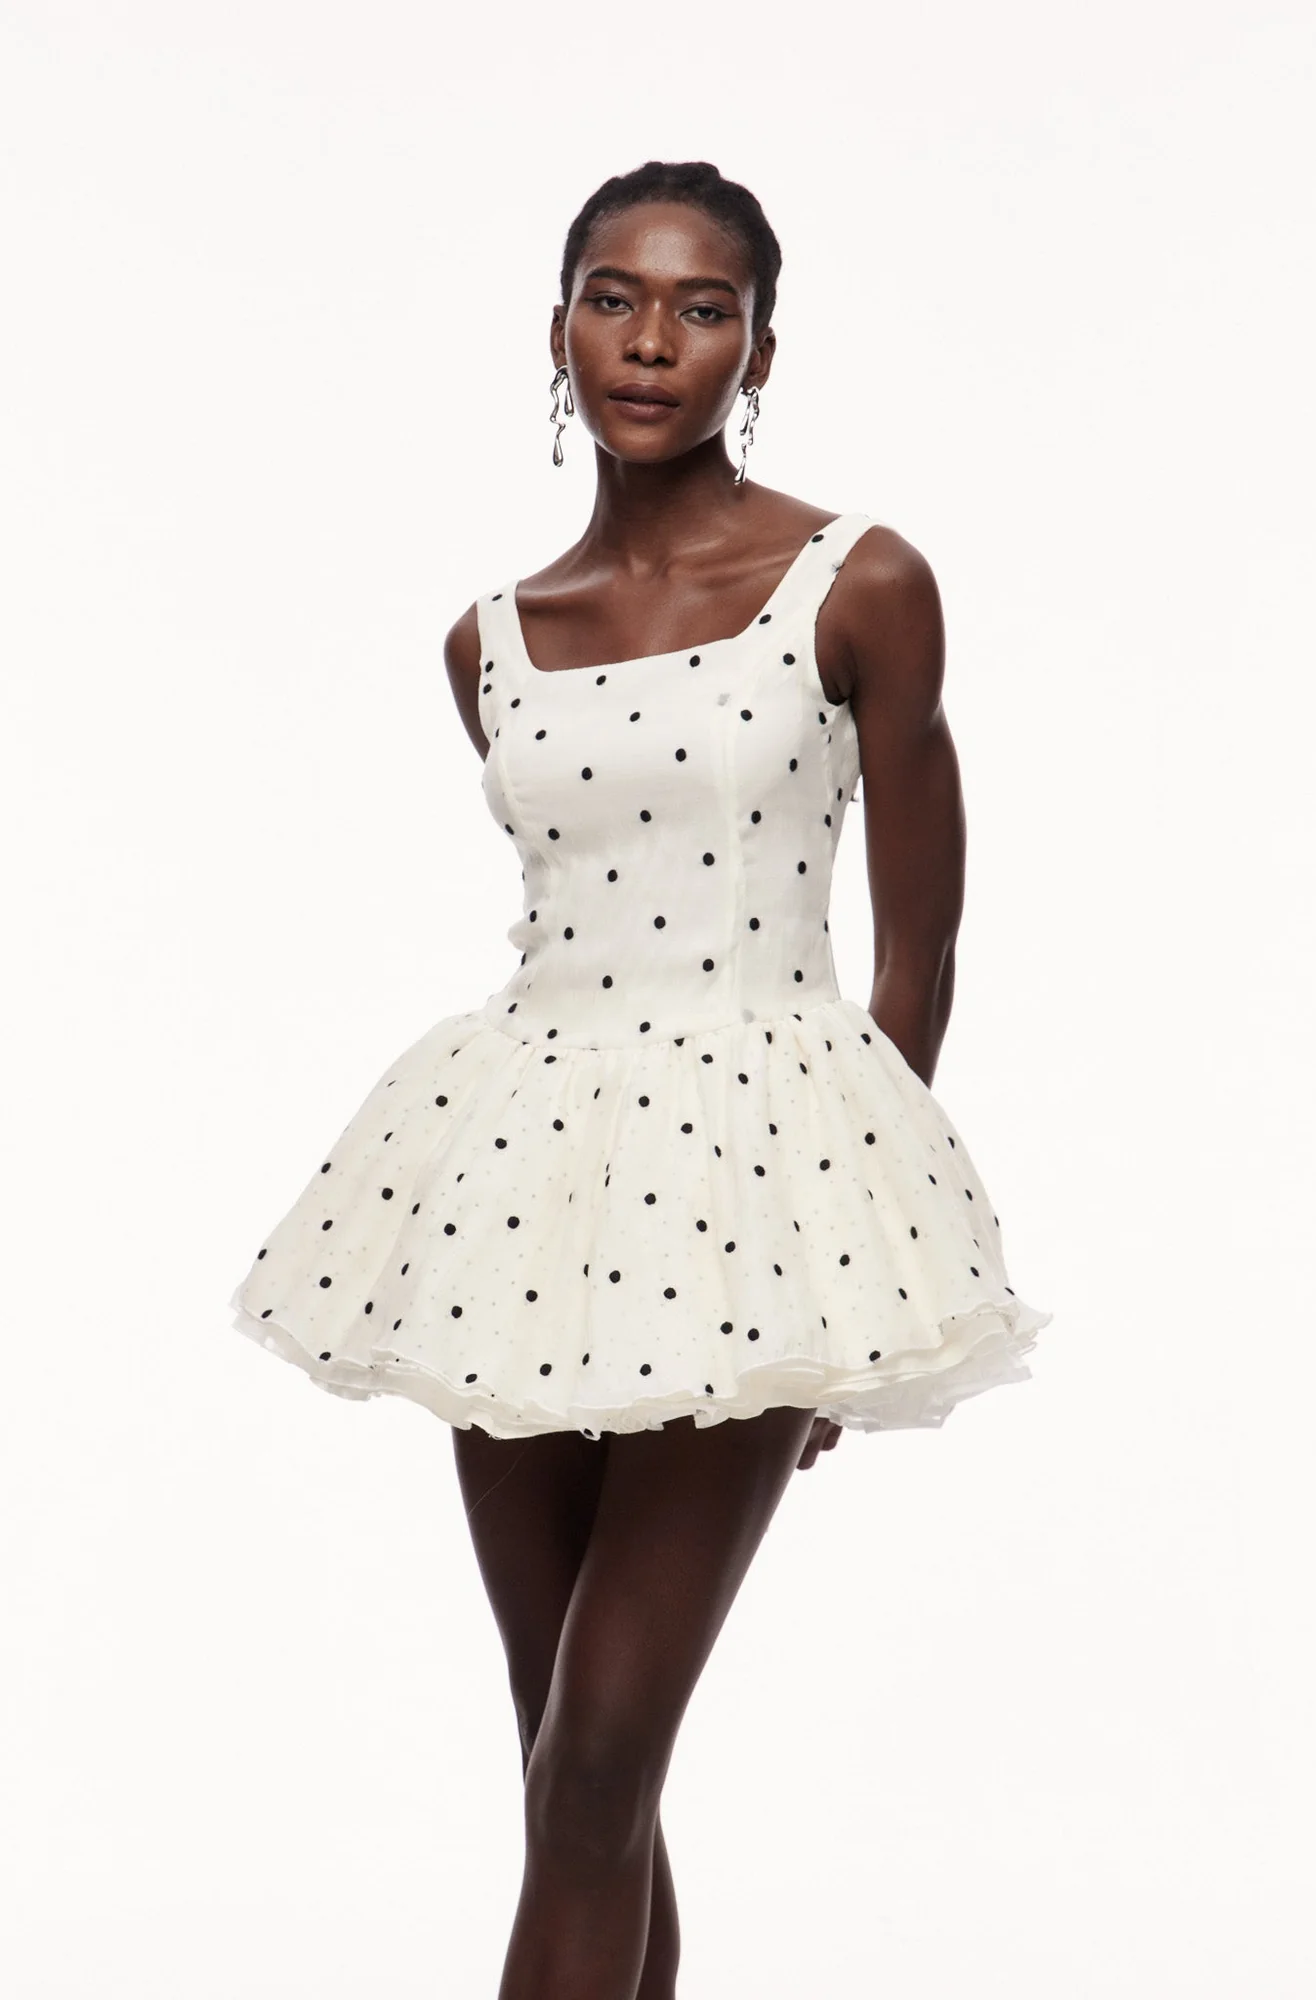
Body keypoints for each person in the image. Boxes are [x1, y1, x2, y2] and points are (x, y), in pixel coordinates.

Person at [228, 158, 1052, 2000]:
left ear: (760, 344)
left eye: (701, 307)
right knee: (570, 1776)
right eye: (615, 298)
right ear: (559, 329)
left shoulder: (863, 583)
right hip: (518, 1183)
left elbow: (915, 958)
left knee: (597, 1766)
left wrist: (849, 1286)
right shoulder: (491, 639)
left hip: (756, 1186)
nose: (654, 341)